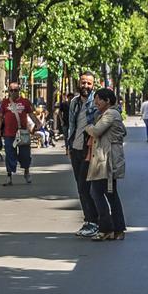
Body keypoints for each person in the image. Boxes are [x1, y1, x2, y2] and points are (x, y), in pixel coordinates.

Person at [85, 88, 128, 241]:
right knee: (110, 195)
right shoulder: (107, 114)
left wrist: (87, 126)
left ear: (107, 101)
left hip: (106, 161)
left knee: (96, 192)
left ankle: (107, 228)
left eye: (98, 99)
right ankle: (117, 229)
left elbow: (96, 131)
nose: (96, 103)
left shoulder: (111, 114)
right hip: (105, 160)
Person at [65, 72, 99, 238]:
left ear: (94, 85)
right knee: (81, 187)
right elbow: (71, 125)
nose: (85, 86)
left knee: (84, 188)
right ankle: (91, 220)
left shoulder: (96, 103)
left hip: (88, 151)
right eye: (83, 83)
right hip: (75, 149)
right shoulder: (74, 102)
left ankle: (92, 221)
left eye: (89, 83)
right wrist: (68, 146)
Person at [0, 82, 39, 185]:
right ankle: (9, 176)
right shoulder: (4, 103)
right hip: (9, 134)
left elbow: (31, 114)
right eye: (11, 90)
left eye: (15, 90)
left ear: (19, 91)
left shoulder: (25, 102)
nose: (13, 92)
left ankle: (26, 171)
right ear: (8, 91)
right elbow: (0, 117)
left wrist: (37, 123)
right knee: (9, 154)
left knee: (25, 154)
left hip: (23, 133)